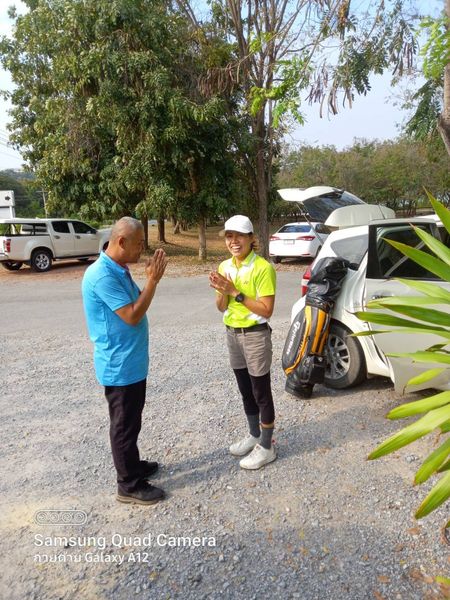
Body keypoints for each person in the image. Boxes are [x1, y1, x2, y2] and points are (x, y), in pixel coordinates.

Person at [81, 217, 168, 505]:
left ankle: (133, 465)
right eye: (139, 243)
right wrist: (152, 281)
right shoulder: (102, 276)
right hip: (119, 367)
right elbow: (132, 315)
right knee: (123, 426)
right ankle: (128, 484)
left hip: (131, 363)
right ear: (121, 242)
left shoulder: (117, 268)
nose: (143, 248)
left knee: (132, 421)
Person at [209, 215, 277, 469]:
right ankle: (254, 435)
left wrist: (234, 292)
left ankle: (267, 447)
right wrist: (220, 290)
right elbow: (220, 307)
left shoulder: (263, 268)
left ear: (251, 238)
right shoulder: (225, 266)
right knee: (244, 389)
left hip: (255, 335)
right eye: (229, 236)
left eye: (239, 235)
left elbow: (266, 310)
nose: (233, 241)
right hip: (232, 333)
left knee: (261, 391)